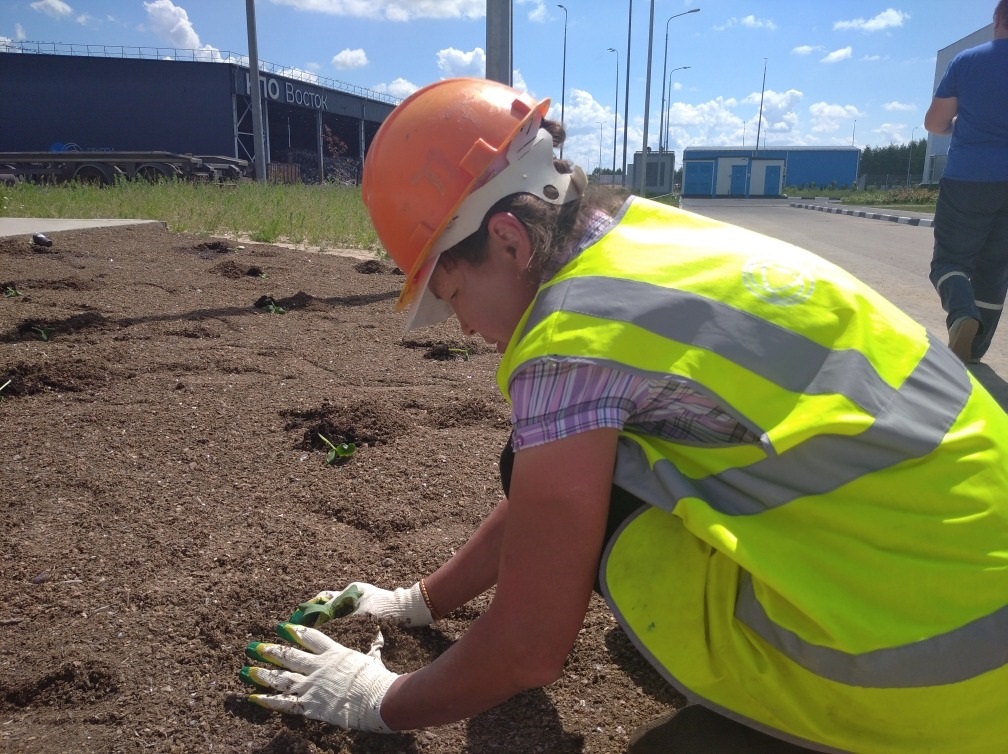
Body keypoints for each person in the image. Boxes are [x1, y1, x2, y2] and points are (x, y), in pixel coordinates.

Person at [239, 77, 1008, 752]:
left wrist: (375, 700)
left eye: (451, 297)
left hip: (942, 669)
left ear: (506, 241)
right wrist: (420, 603)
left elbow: (529, 650)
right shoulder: (648, 239)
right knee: (544, 464)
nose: (465, 329)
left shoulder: (570, 341)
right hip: (959, 550)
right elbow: (546, 504)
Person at [924, 0, 1008, 363]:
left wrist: (958, 126)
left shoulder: (967, 61)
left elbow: (935, 123)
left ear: (996, 19)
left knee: (950, 261)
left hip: (969, 178)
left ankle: (961, 314)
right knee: (995, 267)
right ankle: (974, 349)